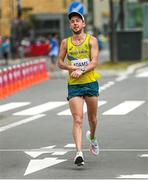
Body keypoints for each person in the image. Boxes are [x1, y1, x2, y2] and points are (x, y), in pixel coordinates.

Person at [58, 10, 100, 166]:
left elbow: (94, 62)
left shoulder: (92, 40)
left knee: (92, 119)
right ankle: (79, 153)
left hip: (90, 82)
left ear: (83, 24)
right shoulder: (65, 43)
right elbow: (60, 62)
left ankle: (93, 138)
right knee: (77, 119)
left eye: (78, 20)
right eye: (72, 21)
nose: (75, 23)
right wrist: (71, 68)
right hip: (74, 85)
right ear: (70, 25)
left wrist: (81, 70)